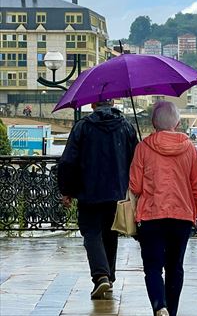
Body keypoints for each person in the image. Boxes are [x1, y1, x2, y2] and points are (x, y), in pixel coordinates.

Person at [129, 101, 197, 316]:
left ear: (153, 123)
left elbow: (135, 186)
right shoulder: (190, 148)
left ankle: (159, 306)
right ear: (177, 123)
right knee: (175, 267)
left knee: (153, 267)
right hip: (181, 216)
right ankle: (171, 312)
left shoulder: (143, 148)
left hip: (151, 216)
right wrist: (194, 212)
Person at [57, 99, 138, 299]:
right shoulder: (126, 127)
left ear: (92, 104)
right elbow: (136, 160)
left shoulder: (83, 127)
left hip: (89, 191)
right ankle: (109, 277)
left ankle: (101, 275)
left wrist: (67, 190)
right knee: (111, 234)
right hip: (117, 192)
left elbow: (68, 161)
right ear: (112, 102)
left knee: (92, 234)